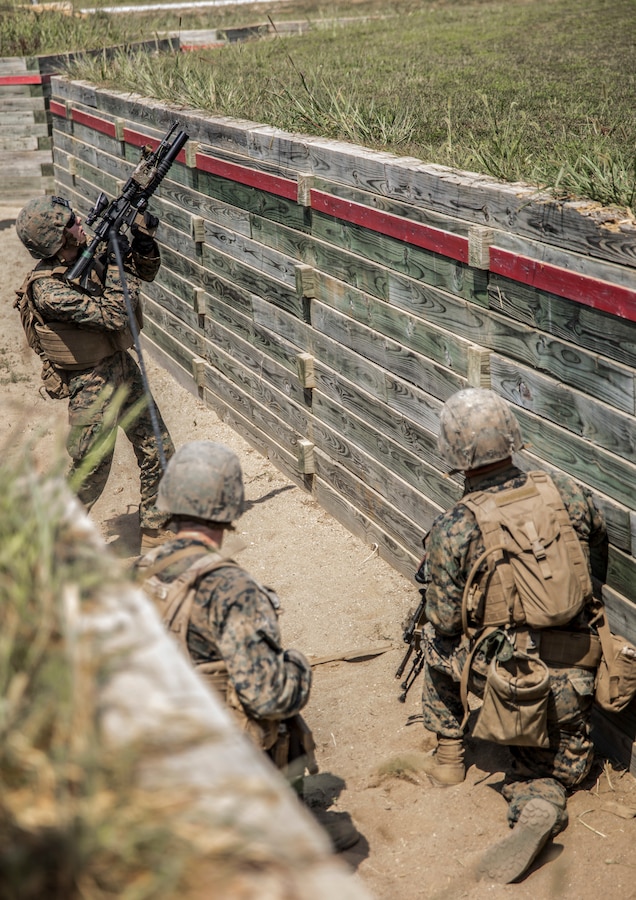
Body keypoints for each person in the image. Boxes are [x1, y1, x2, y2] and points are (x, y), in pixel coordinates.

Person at [418, 387, 608, 884]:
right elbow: (595, 567)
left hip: (514, 694)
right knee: (560, 768)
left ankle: (453, 755)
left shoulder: (455, 526)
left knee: (432, 640)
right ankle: (551, 781)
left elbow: (444, 621)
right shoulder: (568, 493)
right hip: (577, 688)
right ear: (511, 437)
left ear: (454, 455)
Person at [135, 439, 360, 853]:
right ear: (231, 505)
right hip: (211, 758)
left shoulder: (143, 569)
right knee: (284, 721)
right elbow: (271, 696)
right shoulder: (233, 589)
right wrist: (296, 666)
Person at [14, 195, 174, 553]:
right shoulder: (48, 290)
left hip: (120, 366)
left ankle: (155, 527)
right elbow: (118, 315)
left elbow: (144, 273)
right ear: (56, 241)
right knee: (91, 470)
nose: (80, 222)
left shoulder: (91, 257)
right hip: (91, 384)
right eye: (71, 222)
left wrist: (142, 243)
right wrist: (116, 258)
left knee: (157, 447)